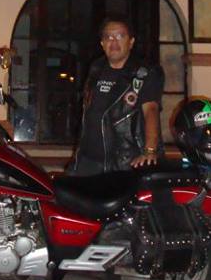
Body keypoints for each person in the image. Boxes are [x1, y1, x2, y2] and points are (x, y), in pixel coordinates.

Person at [70, 16, 165, 175]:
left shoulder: (144, 73)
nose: (113, 42)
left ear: (131, 42)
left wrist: (150, 150)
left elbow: (151, 110)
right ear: (102, 43)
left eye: (120, 36)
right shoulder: (96, 68)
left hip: (124, 163)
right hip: (88, 162)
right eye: (108, 37)